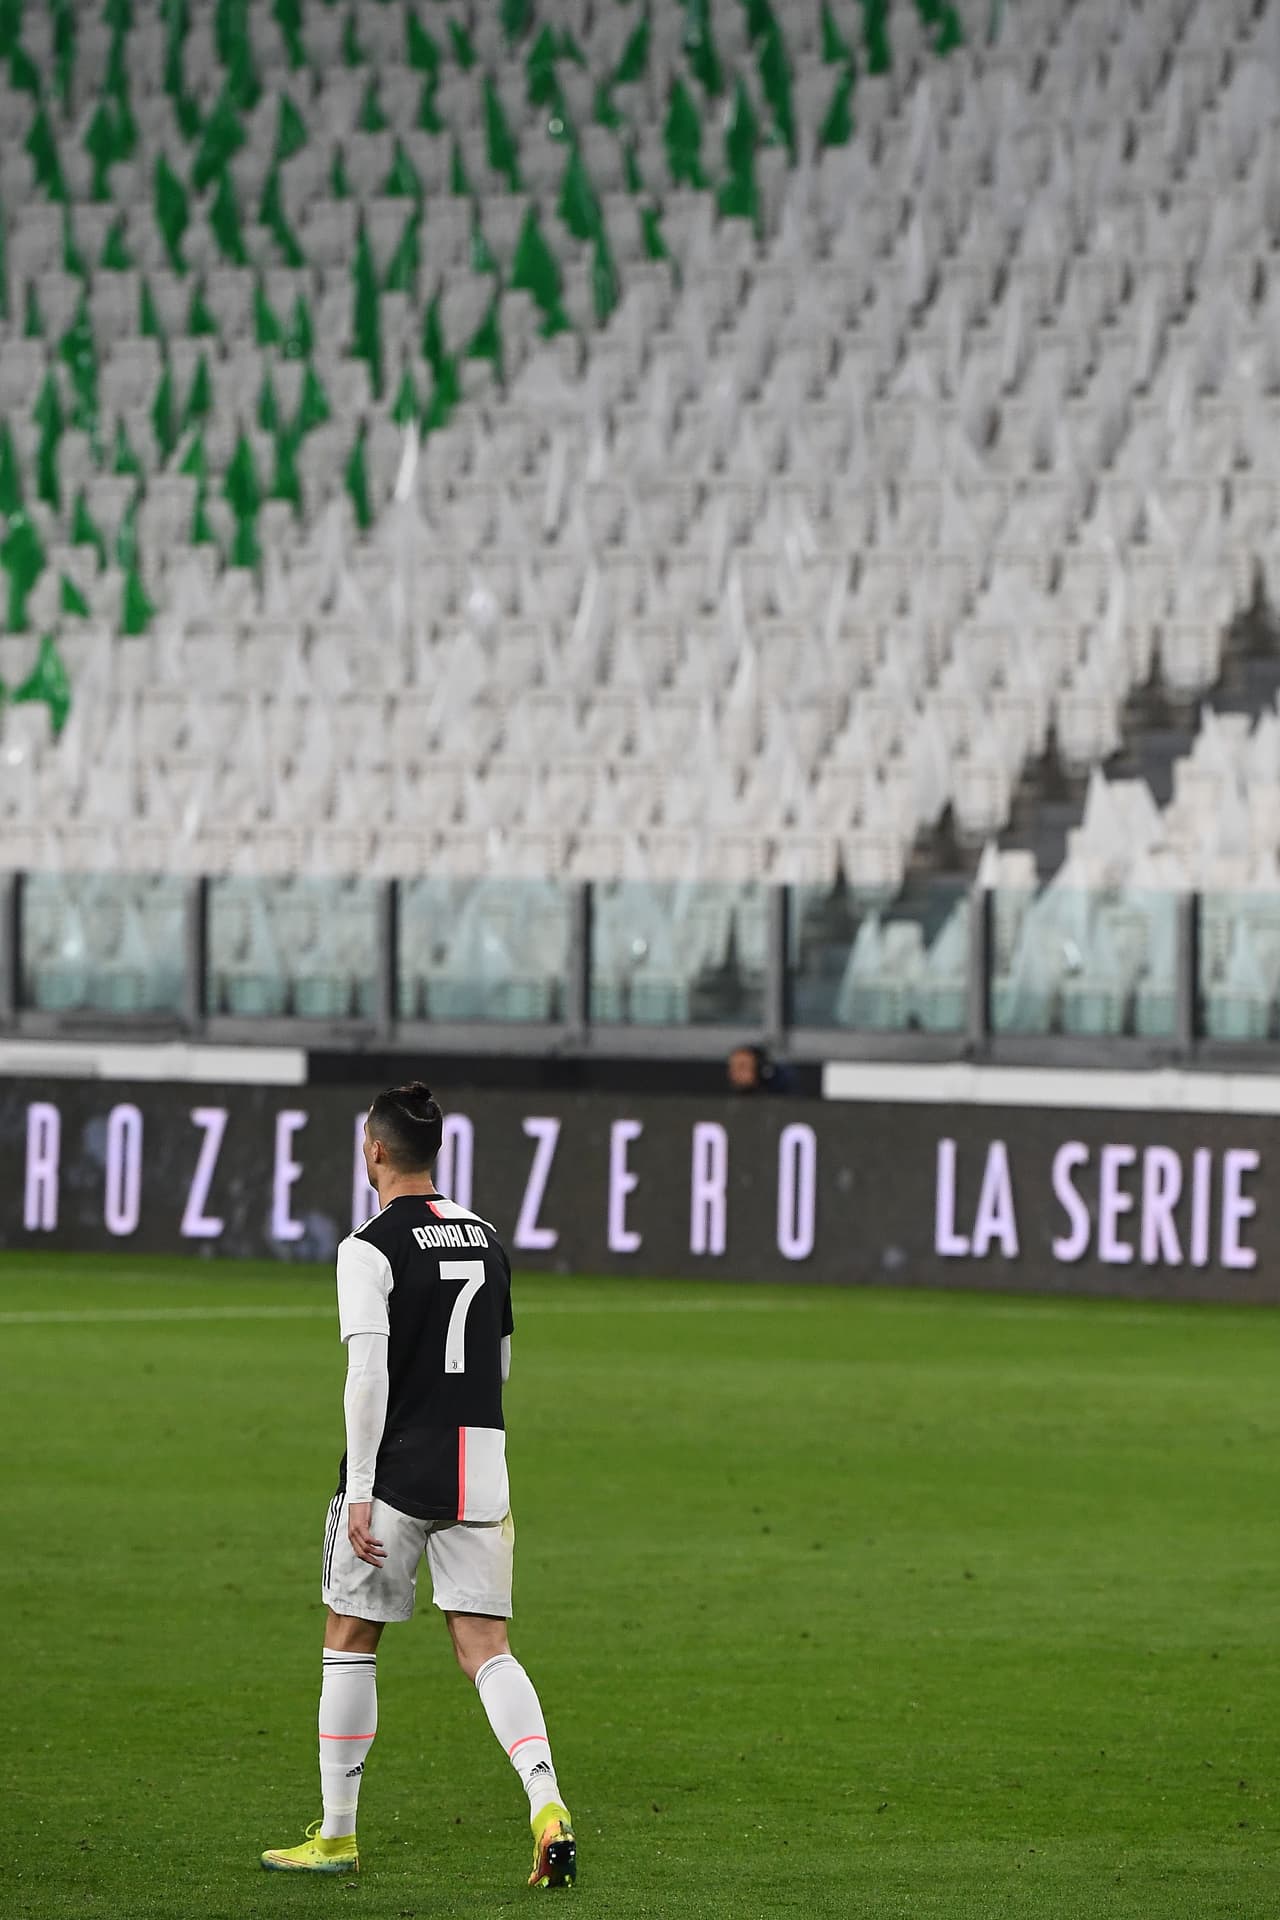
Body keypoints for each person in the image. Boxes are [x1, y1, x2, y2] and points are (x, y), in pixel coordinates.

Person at [260, 1081, 575, 1890]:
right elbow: (500, 1363)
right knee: (486, 1648)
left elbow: (367, 1375)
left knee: (349, 1635)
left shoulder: (367, 1247)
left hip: (400, 1466)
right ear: (435, 1153)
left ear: (373, 1151)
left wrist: (362, 1489)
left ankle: (337, 1835)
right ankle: (546, 1801)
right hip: (482, 1462)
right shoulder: (486, 1237)